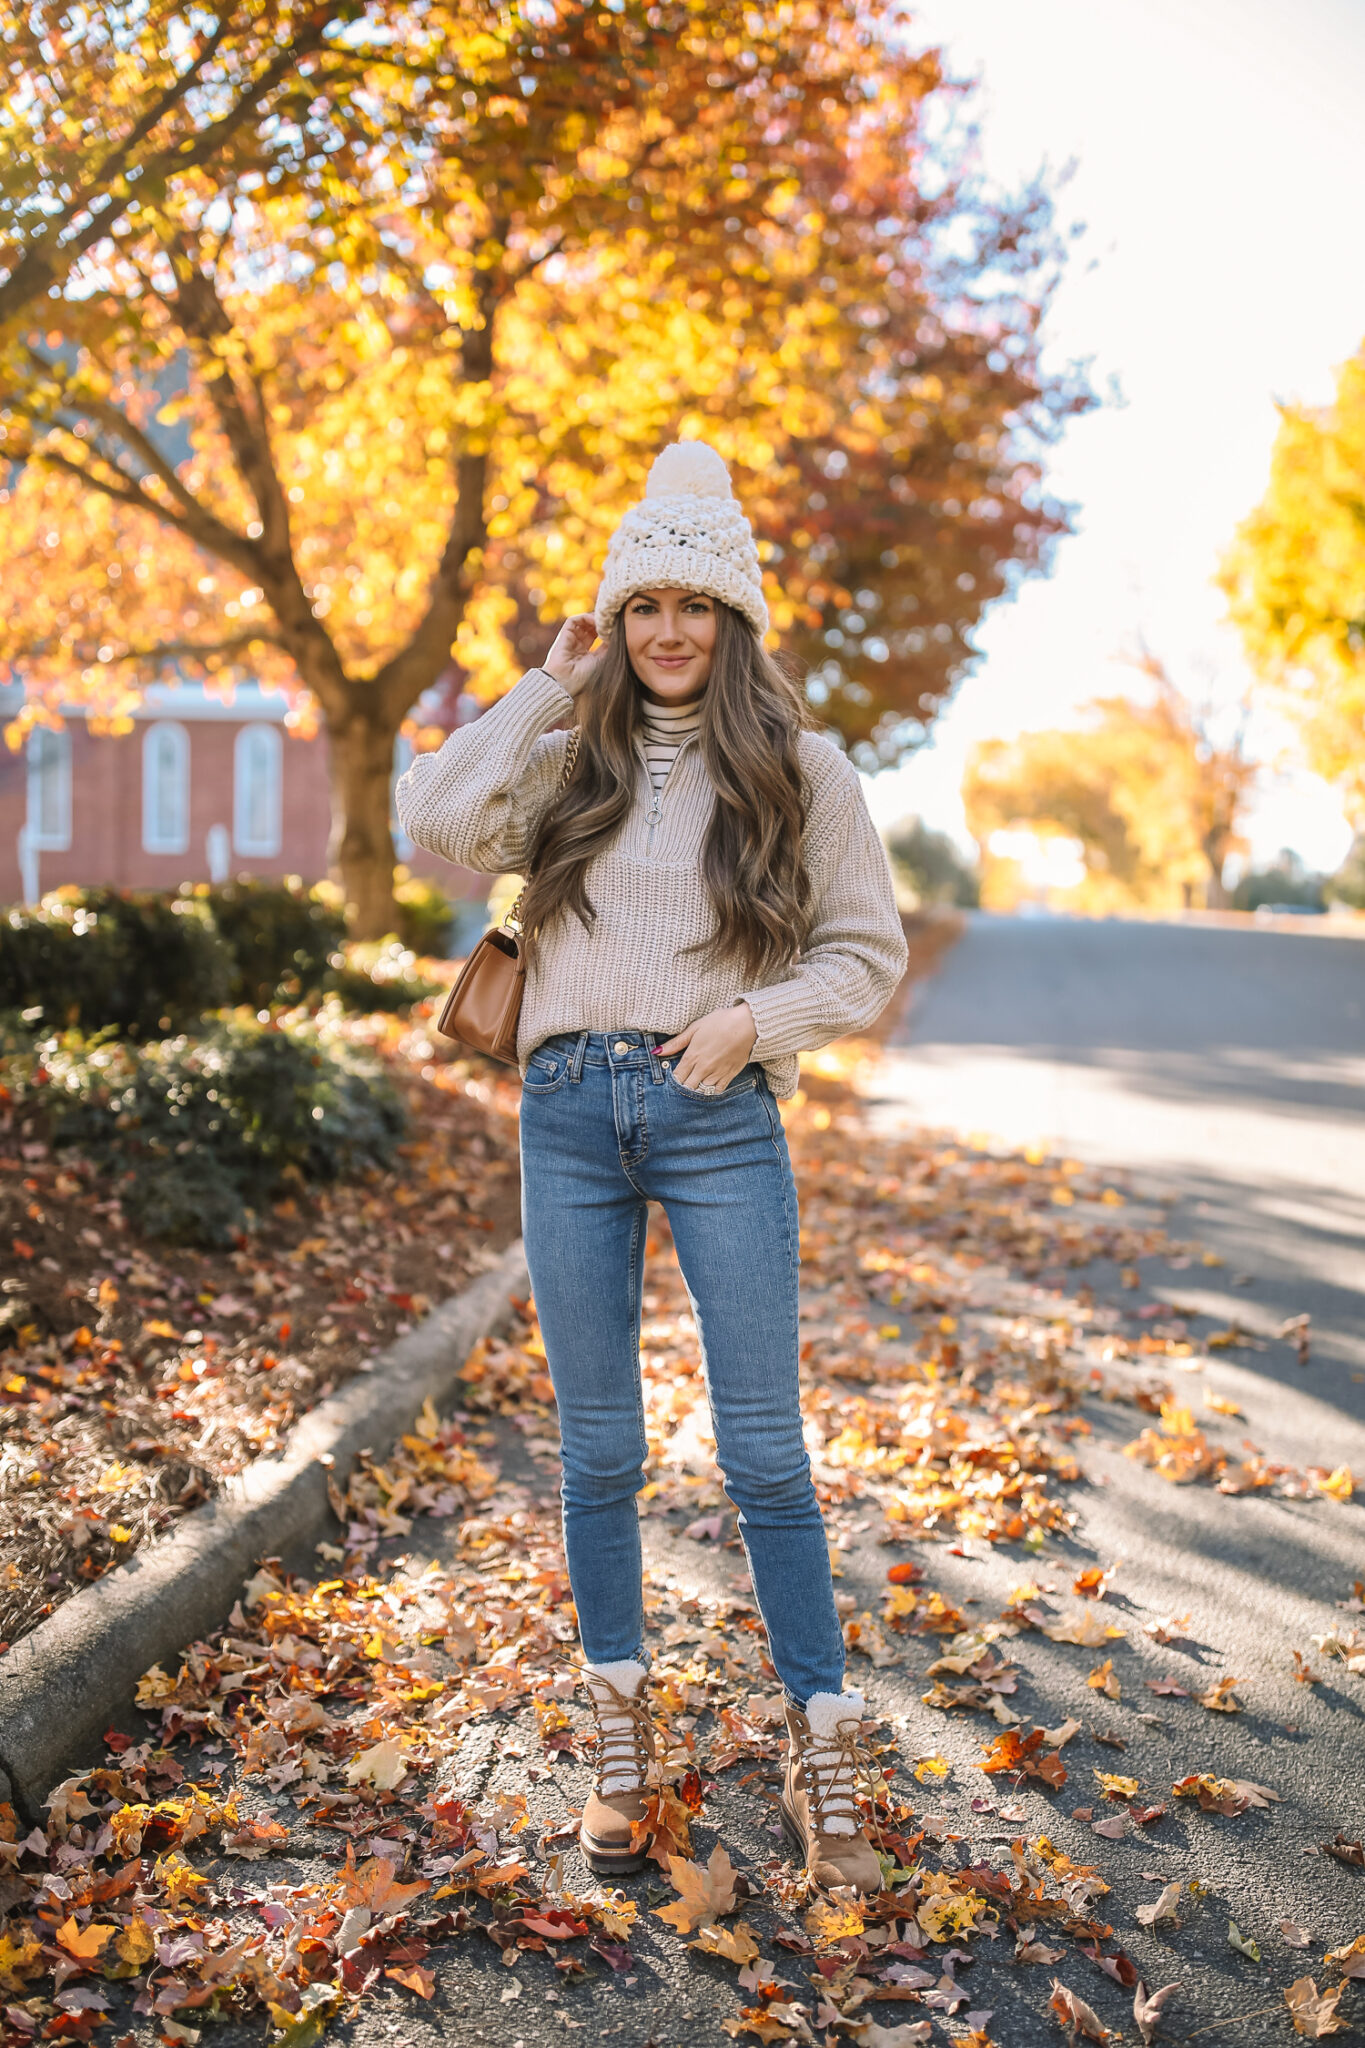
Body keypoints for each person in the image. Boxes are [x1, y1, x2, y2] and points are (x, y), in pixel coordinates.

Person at [396, 440, 909, 1892]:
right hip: (562, 1113)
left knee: (762, 1454)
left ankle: (821, 1737)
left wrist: (754, 1018)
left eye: (694, 605)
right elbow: (433, 822)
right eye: (641, 608)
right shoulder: (571, 757)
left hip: (716, 1115)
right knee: (599, 1449)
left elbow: (863, 951)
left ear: (734, 624)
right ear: (615, 624)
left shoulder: (801, 770)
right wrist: (548, 686)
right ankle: (618, 1726)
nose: (667, 631)